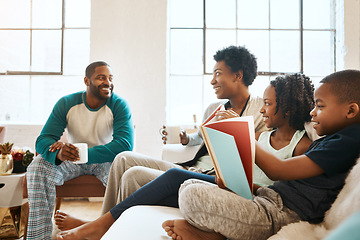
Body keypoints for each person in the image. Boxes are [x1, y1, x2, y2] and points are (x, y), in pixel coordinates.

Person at [54, 72, 316, 240]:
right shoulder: (259, 136)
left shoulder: (300, 145)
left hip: (250, 199)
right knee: (134, 169)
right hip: (228, 184)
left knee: (173, 176)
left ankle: (100, 226)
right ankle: (108, 228)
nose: (264, 110)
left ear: (289, 109)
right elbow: (235, 161)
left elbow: (281, 191)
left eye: (269, 104)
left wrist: (236, 132)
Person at [53, 45, 267, 231]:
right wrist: (186, 139)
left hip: (216, 178)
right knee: (124, 158)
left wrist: (233, 129)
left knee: (133, 175)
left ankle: (102, 227)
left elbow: (265, 145)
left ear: (237, 76)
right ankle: (102, 223)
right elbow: (200, 139)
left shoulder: (260, 110)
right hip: (193, 169)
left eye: (218, 73)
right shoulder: (214, 108)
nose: (212, 81)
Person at [162, 69, 360, 240]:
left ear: (351, 110)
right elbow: (285, 186)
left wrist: (240, 134)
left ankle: (217, 235)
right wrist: (244, 187)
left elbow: (278, 170)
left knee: (192, 195)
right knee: (189, 185)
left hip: (281, 214)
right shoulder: (334, 140)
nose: (312, 112)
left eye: (320, 106)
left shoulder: (347, 142)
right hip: (271, 199)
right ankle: (214, 234)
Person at [26, 61, 134, 240]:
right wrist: (58, 154)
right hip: (72, 162)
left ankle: (111, 232)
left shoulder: (119, 105)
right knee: (37, 166)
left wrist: (85, 154)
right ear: (87, 81)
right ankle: (38, 237)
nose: (107, 82)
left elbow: (124, 144)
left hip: (106, 161)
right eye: (101, 78)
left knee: (128, 172)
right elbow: (43, 140)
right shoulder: (66, 103)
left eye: (110, 78)